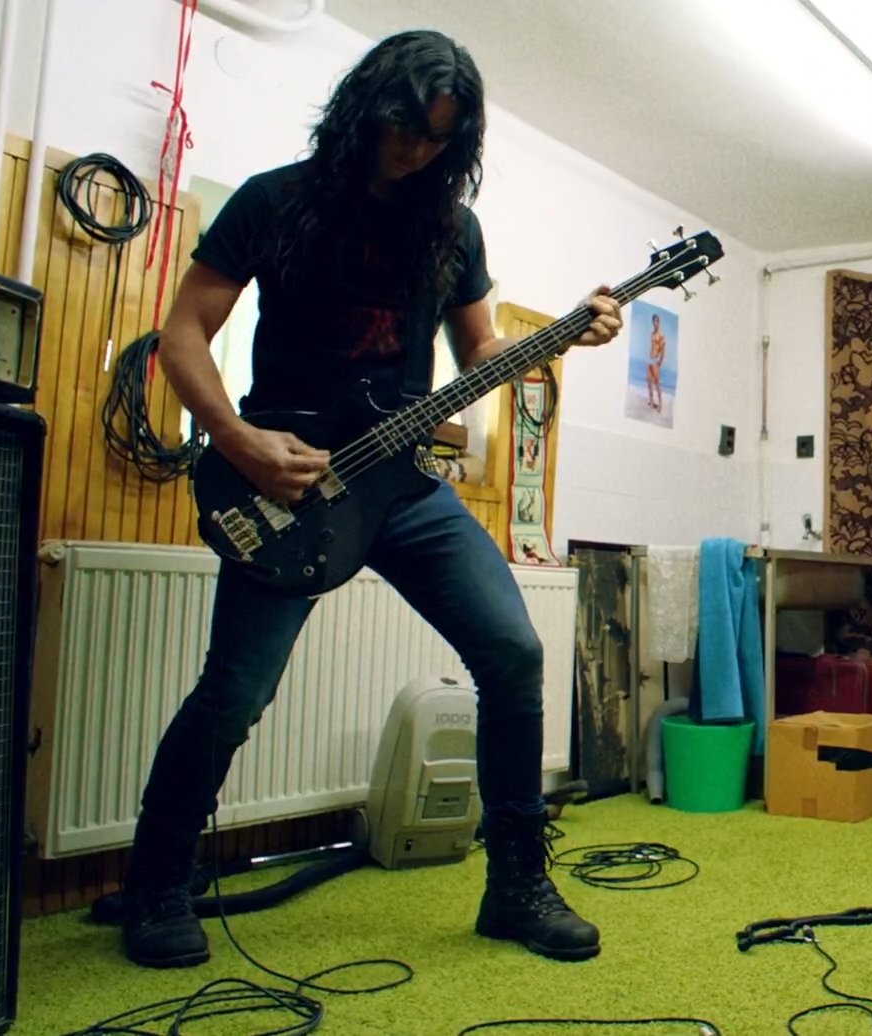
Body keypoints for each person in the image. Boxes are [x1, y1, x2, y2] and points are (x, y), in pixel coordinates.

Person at [121, 30, 622, 969]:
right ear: (366, 108)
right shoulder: (276, 201)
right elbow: (183, 331)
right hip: (288, 479)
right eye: (404, 127)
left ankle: (516, 886)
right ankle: (155, 885)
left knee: (513, 652)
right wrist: (236, 438)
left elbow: (479, 354)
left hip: (399, 483)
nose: (416, 151)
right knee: (235, 692)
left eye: (439, 138)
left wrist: (559, 338)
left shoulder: (452, 230)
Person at [647, 311, 666, 412]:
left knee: (656, 382)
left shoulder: (661, 335)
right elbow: (652, 346)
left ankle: (660, 404)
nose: (655, 323)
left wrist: (660, 361)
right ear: (652, 322)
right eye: (654, 321)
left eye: (657, 321)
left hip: (655, 360)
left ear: (659, 322)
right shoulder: (652, 334)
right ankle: (651, 401)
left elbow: (663, 350)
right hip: (649, 358)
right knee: (649, 381)